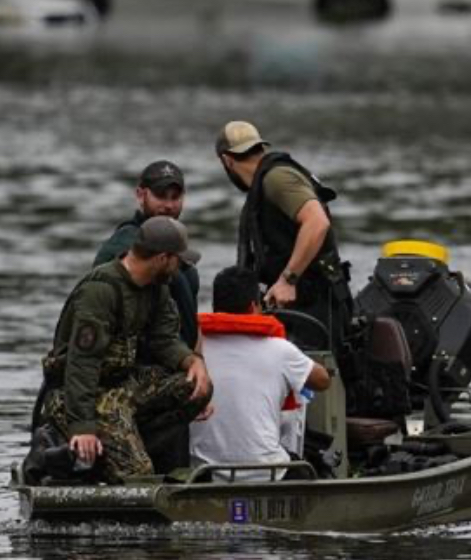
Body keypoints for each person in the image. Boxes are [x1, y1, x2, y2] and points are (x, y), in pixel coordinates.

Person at [35, 216, 213, 483]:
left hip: (123, 386)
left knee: (195, 388)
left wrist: (192, 360)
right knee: (138, 476)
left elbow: (165, 340)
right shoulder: (101, 290)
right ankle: (83, 455)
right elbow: (82, 364)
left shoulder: (157, 288)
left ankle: (124, 445)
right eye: (178, 260)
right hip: (85, 395)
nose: (180, 269)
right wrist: (82, 426)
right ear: (163, 258)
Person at [92, 160, 202, 473]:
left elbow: (189, 319)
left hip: (170, 380)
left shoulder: (176, 248)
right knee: (144, 473)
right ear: (141, 195)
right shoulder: (128, 249)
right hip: (135, 382)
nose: (168, 205)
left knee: (174, 467)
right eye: (160, 196)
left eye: (175, 197)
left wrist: (198, 365)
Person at [215, 121, 352, 354]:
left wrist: (288, 280)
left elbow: (317, 222)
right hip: (302, 307)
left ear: (227, 160)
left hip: (318, 306)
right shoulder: (265, 182)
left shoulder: (276, 179)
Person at [190, 266, 330, 480]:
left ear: (214, 306)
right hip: (268, 473)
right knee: (311, 468)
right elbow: (322, 381)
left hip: (204, 474)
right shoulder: (280, 350)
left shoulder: (193, 350)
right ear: (254, 305)